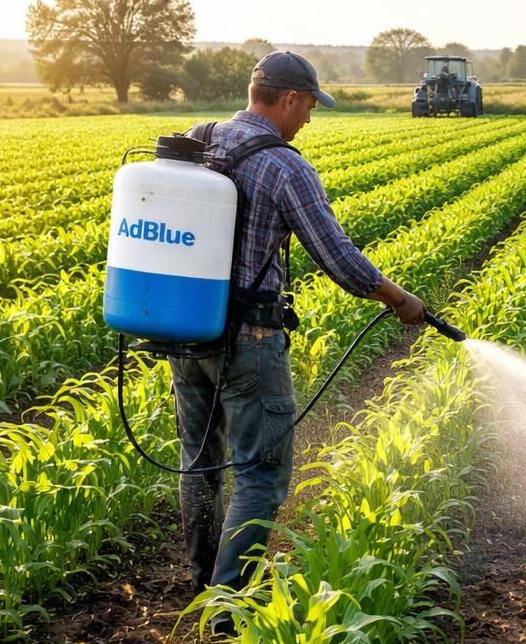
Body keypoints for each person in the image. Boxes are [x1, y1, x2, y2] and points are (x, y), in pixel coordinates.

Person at [170, 50, 425, 610]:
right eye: (309, 105)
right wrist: (399, 298)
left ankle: (201, 578)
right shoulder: (285, 167)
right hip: (248, 340)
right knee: (260, 474)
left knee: (200, 460)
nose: (309, 117)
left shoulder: (200, 137)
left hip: (184, 330)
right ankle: (226, 603)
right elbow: (337, 255)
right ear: (289, 99)